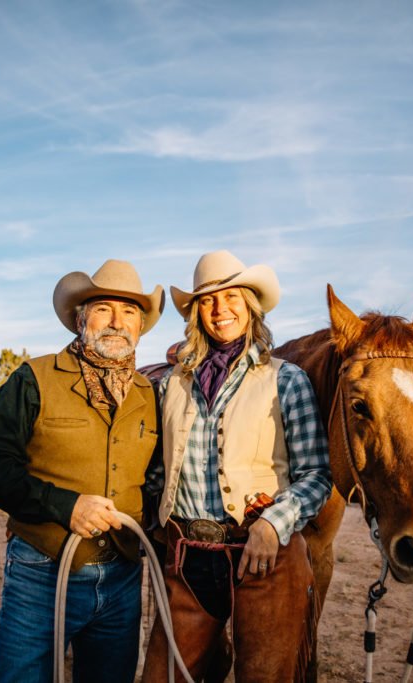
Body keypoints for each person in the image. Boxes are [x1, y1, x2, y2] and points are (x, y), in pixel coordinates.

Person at [0, 259, 164, 683]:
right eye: (103, 308)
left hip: (124, 576)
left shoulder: (151, 394)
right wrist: (64, 506)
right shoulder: (32, 379)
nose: (117, 321)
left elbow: (157, 475)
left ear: (140, 325)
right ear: (80, 318)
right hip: (42, 571)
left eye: (129, 311)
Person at [142, 250, 332, 683]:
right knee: (163, 676)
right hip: (187, 556)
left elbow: (318, 474)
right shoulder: (171, 384)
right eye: (207, 301)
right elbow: (157, 468)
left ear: (250, 306)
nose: (220, 309)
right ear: (195, 314)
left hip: (265, 556)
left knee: (267, 676)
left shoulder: (287, 379)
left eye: (231, 297)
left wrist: (272, 524)